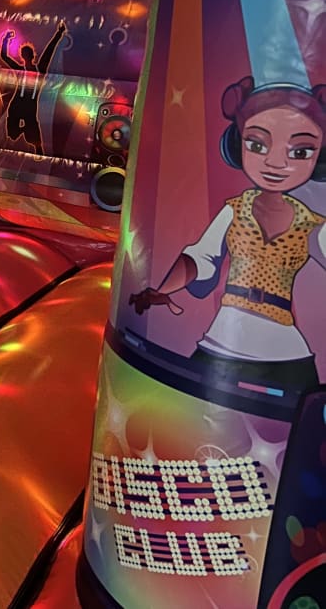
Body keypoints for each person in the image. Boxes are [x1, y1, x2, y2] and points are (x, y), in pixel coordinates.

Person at [130, 77, 326, 391]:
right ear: (237, 144)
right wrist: (161, 290)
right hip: (225, 337)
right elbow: (201, 257)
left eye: (300, 151)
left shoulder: (311, 224)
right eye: (257, 145)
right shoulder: (235, 210)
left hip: (286, 350)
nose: (276, 162)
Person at [0, 21, 66, 152]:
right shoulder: (20, 70)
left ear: (31, 56)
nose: (25, 56)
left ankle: (38, 152)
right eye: (23, 54)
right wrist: (6, 40)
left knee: (36, 142)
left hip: (30, 107)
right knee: (12, 135)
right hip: (16, 105)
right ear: (22, 56)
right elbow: (4, 56)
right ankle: (25, 131)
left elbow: (49, 51)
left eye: (27, 54)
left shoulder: (40, 70)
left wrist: (59, 33)